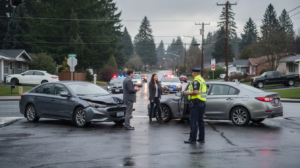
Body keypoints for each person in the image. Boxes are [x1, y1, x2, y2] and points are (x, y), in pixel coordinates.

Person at [183, 68, 207, 144]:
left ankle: (192, 139)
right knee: (201, 121)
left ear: (193, 73)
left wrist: (188, 93)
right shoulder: (202, 80)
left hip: (196, 104)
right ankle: (201, 138)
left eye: (192, 72)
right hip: (202, 103)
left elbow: (196, 92)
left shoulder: (196, 81)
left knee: (194, 121)